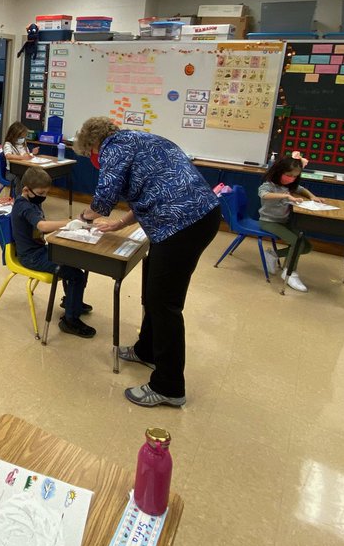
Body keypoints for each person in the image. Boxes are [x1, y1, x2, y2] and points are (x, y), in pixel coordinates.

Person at [75, 117, 221, 409]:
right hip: (194, 219)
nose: (93, 159)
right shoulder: (140, 140)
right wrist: (119, 224)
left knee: (164, 303)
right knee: (152, 290)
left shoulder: (113, 148)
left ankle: (169, 386)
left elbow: (104, 197)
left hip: (182, 224)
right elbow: (149, 194)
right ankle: (147, 350)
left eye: (89, 153)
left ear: (93, 144)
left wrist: (84, 218)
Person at [11, 167, 93, 338]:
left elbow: (41, 230)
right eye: (41, 192)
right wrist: (70, 223)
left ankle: (72, 301)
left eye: (46, 192)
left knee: (75, 261)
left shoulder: (33, 201)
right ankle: (70, 320)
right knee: (76, 275)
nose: (44, 195)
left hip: (39, 250)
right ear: (26, 190)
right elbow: (42, 226)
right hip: (31, 257)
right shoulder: (24, 206)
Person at [258, 153, 320, 293]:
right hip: (268, 221)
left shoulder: (290, 186)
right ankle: (289, 272)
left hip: (283, 222)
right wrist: (286, 196)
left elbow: (301, 189)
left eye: (294, 177)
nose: (291, 179)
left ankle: (273, 254)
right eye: (288, 175)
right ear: (279, 171)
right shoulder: (269, 185)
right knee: (297, 242)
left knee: (307, 246)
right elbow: (263, 195)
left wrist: (312, 196)